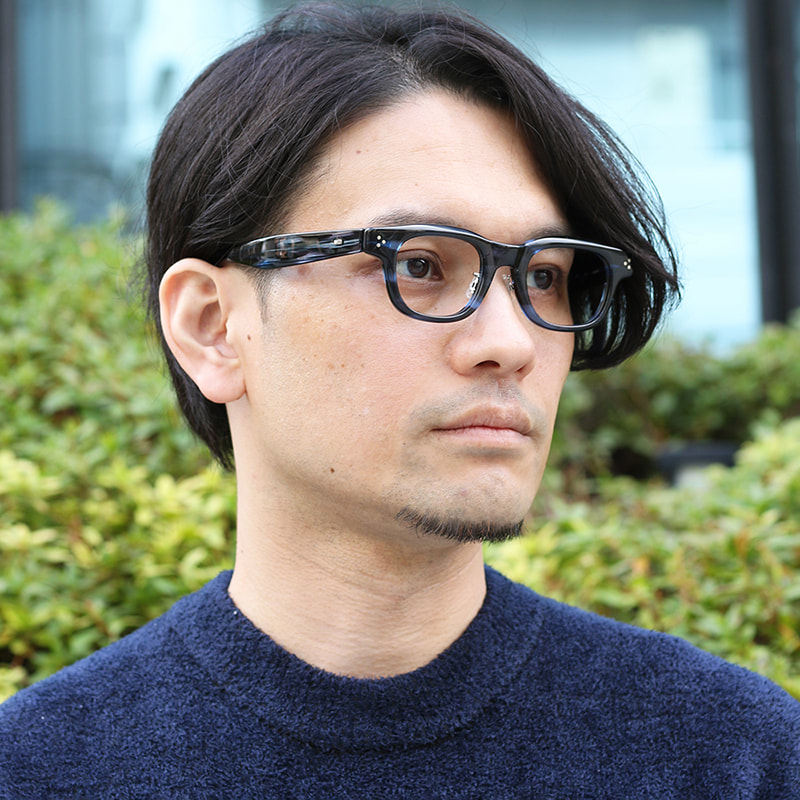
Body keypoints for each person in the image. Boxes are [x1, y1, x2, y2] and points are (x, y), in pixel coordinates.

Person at [1, 2, 798, 797]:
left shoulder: (730, 757)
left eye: (543, 276)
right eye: (417, 264)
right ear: (212, 326)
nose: (512, 341)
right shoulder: (42, 770)